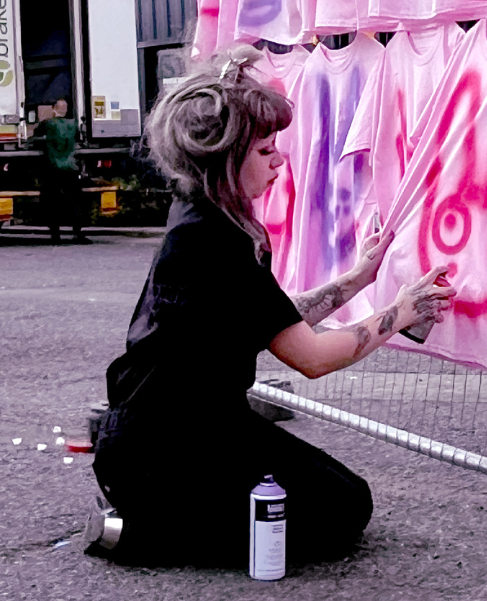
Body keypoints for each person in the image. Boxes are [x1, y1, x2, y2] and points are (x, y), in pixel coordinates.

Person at [85, 47, 455, 568]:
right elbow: (312, 357)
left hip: (191, 428)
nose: (280, 160)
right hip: (167, 446)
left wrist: (357, 278)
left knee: (342, 493)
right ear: (225, 158)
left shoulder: (205, 218)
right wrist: (400, 312)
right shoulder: (211, 241)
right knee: (340, 510)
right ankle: (139, 529)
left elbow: (268, 318)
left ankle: (159, 512)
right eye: (265, 151)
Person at [37, 97, 83, 243]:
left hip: (53, 168)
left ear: (53, 108)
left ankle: (55, 236)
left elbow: (36, 137)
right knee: (75, 201)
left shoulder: (48, 124)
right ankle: (77, 233)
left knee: (52, 202)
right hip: (71, 167)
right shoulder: (73, 124)